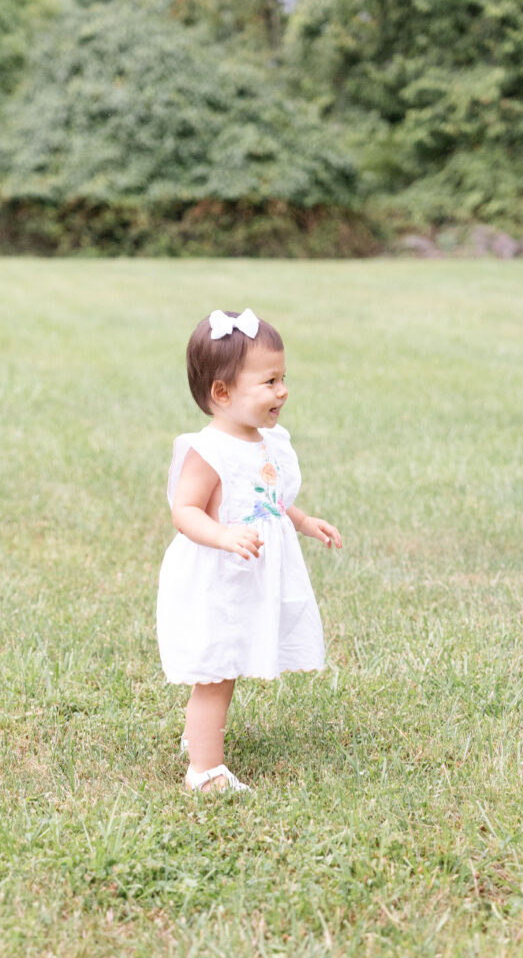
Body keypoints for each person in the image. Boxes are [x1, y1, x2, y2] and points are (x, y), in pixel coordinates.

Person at [156, 308, 342, 793]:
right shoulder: (210, 450)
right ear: (223, 393)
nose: (282, 391)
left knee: (229, 665)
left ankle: (200, 743)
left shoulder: (268, 441)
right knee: (216, 671)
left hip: (248, 576)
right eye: (270, 381)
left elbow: (271, 502)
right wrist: (222, 535)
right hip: (219, 577)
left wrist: (303, 521)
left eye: (284, 378)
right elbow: (186, 510)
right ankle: (204, 772)